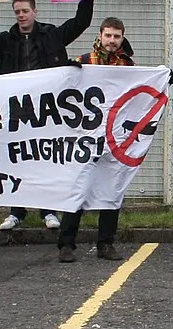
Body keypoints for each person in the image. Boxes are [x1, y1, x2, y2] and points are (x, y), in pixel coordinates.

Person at [0, 0, 95, 233]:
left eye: (25, 11)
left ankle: (48, 210)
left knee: (46, 160)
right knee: (16, 161)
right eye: (17, 12)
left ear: (34, 11)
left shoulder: (51, 35)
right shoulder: (7, 40)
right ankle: (16, 211)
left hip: (47, 111)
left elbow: (81, 22)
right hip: (16, 111)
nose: (21, 15)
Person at [57, 17, 135, 262]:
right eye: (108, 35)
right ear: (100, 35)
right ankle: (66, 244)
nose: (112, 41)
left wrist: (162, 79)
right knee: (78, 188)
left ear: (122, 37)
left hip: (114, 138)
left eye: (117, 36)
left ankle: (105, 243)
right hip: (85, 137)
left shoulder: (128, 66)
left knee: (112, 190)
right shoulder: (82, 62)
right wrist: (68, 72)